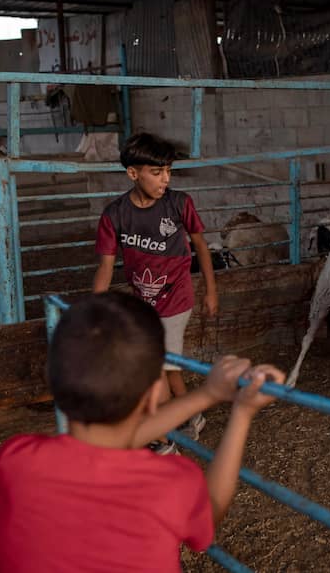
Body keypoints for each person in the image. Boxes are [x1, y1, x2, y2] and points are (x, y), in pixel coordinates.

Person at [0, 291, 284, 572]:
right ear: (156, 391)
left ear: (51, 379)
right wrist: (242, 413)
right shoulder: (172, 482)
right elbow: (213, 508)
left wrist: (209, 394)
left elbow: (107, 446)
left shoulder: (15, 459)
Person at [93, 132, 219, 453]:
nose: (165, 179)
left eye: (168, 171)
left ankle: (164, 441)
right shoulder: (115, 215)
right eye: (156, 172)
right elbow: (106, 267)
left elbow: (201, 247)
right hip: (144, 304)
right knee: (169, 368)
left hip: (176, 302)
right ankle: (193, 414)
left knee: (155, 368)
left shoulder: (179, 204)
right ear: (133, 173)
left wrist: (210, 290)